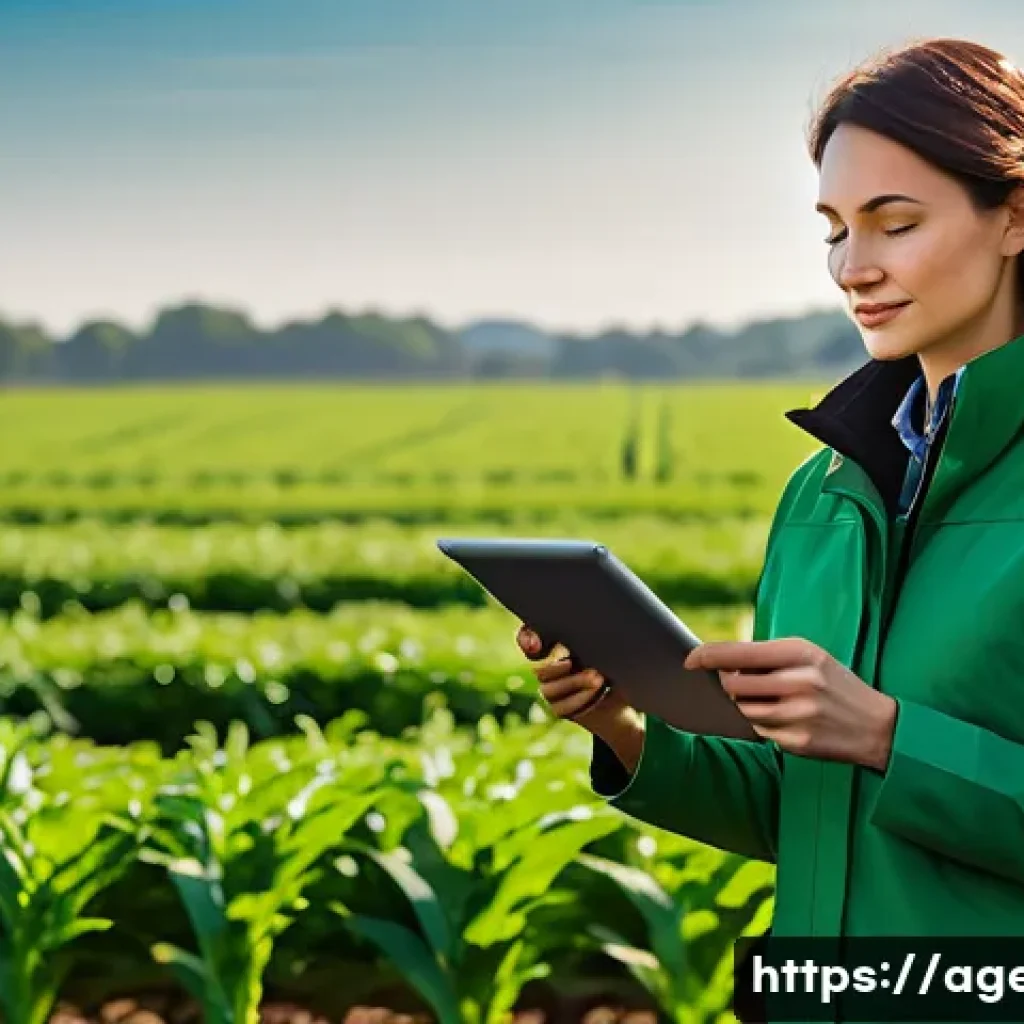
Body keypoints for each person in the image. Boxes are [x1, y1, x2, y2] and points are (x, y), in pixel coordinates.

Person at [516, 35, 1024, 1020]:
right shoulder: (823, 491)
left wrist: (884, 735)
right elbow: (804, 813)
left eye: (894, 223)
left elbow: (874, 755)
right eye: (834, 228)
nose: (852, 267)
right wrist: (621, 723)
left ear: (1012, 218)